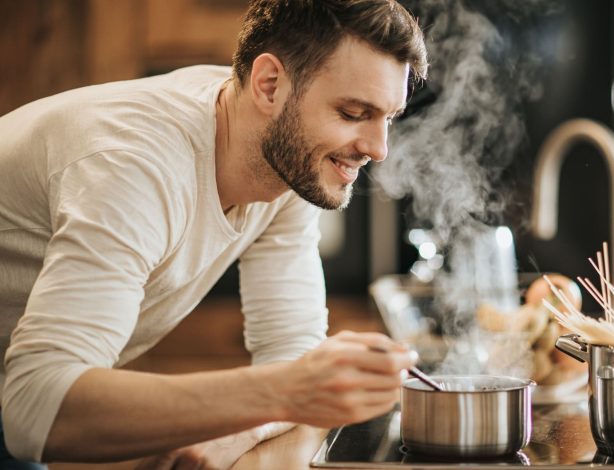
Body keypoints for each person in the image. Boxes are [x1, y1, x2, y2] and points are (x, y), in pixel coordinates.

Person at [0, 0, 428, 467]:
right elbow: (37, 411)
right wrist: (290, 389)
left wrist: (235, 431)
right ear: (269, 85)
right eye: (351, 113)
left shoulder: (282, 159)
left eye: (388, 117)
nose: (378, 148)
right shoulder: (134, 164)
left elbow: (290, 351)